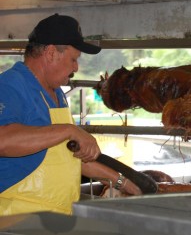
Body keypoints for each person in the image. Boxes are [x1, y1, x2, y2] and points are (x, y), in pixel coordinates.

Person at [0, 14, 142, 216]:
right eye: (73, 59)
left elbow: (68, 156)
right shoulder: (9, 86)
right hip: (15, 219)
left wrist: (121, 181)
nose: (76, 67)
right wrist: (69, 130)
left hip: (55, 219)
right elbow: (3, 141)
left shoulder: (57, 93)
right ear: (50, 53)